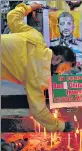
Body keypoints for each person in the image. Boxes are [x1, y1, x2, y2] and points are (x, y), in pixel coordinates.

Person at [1, 3, 76, 133]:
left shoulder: (36, 37)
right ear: (57, 59)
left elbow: (12, 16)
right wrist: (62, 126)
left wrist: (30, 7)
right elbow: (38, 111)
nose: (60, 73)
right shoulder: (40, 76)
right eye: (63, 69)